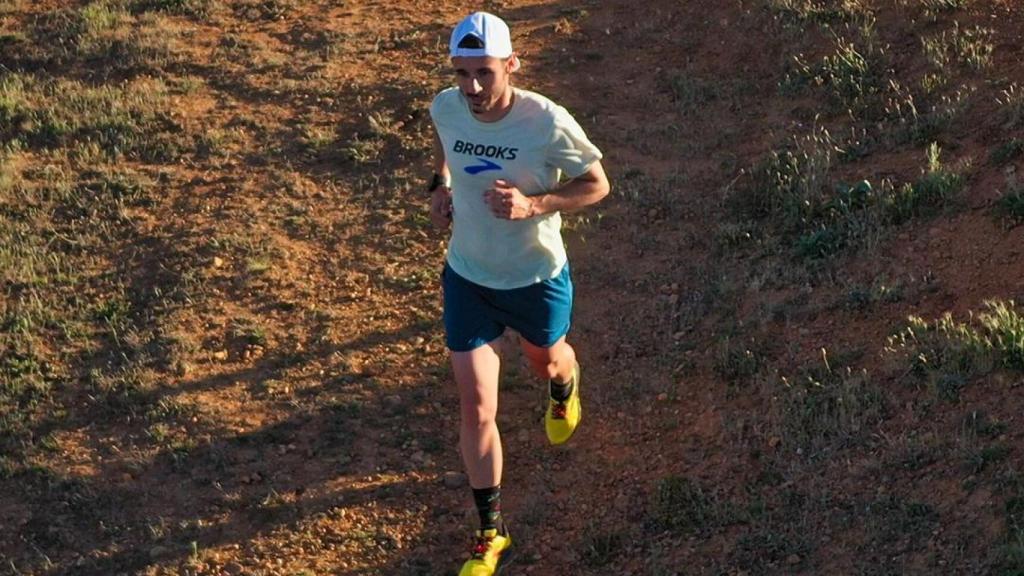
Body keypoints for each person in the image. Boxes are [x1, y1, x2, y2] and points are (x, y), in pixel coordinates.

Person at [427, 11, 609, 576]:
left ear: (511, 65)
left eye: (484, 73)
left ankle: (565, 383)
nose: (472, 88)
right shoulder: (447, 105)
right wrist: (441, 183)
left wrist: (536, 205)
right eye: (462, 73)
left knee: (546, 362)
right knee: (476, 404)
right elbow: (445, 141)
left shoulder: (546, 122)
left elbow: (597, 183)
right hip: (468, 277)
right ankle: (491, 533)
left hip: (534, 279)